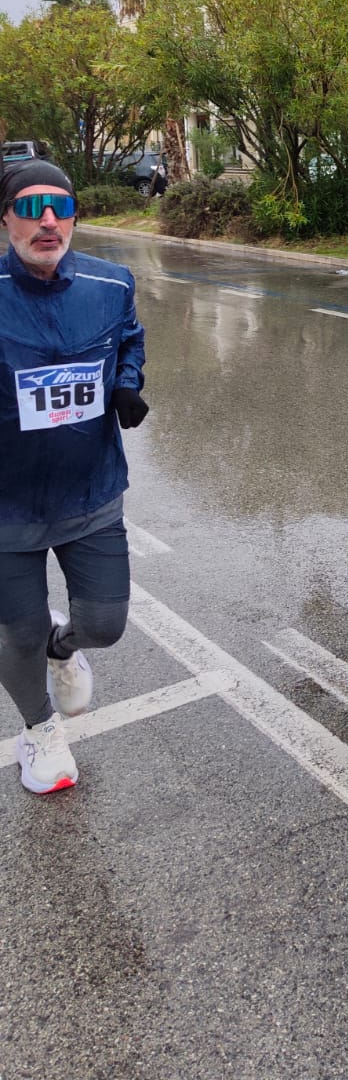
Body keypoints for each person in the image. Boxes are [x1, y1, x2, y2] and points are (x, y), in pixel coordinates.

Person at [0, 160, 148, 794]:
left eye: (60, 207)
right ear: (5, 220)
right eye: (30, 208)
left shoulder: (110, 284)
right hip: (7, 508)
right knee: (18, 632)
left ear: (75, 217)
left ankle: (63, 648)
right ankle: (39, 731)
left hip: (91, 492)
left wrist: (126, 384)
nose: (48, 221)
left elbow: (131, 340)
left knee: (106, 623)